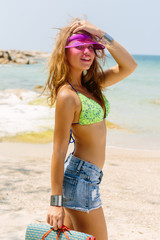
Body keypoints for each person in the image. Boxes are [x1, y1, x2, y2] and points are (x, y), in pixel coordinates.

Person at [45, 19, 137, 240]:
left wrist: (101, 34)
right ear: (64, 52)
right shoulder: (68, 96)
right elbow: (58, 150)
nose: (87, 52)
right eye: (79, 46)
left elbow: (130, 66)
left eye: (91, 47)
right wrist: (55, 203)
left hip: (87, 177)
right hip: (79, 179)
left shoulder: (91, 86)